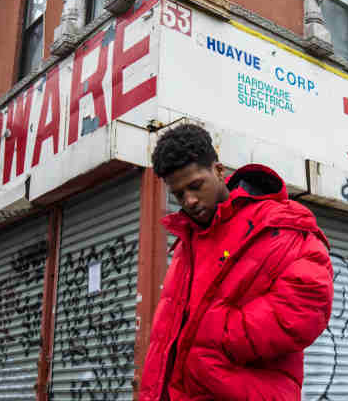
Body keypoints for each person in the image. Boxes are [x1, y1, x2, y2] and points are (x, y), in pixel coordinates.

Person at [140, 123, 333, 401]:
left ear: (219, 171)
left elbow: (308, 302)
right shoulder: (188, 240)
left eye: (196, 186)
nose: (189, 201)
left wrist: (218, 333)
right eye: (179, 194)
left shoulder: (275, 223)